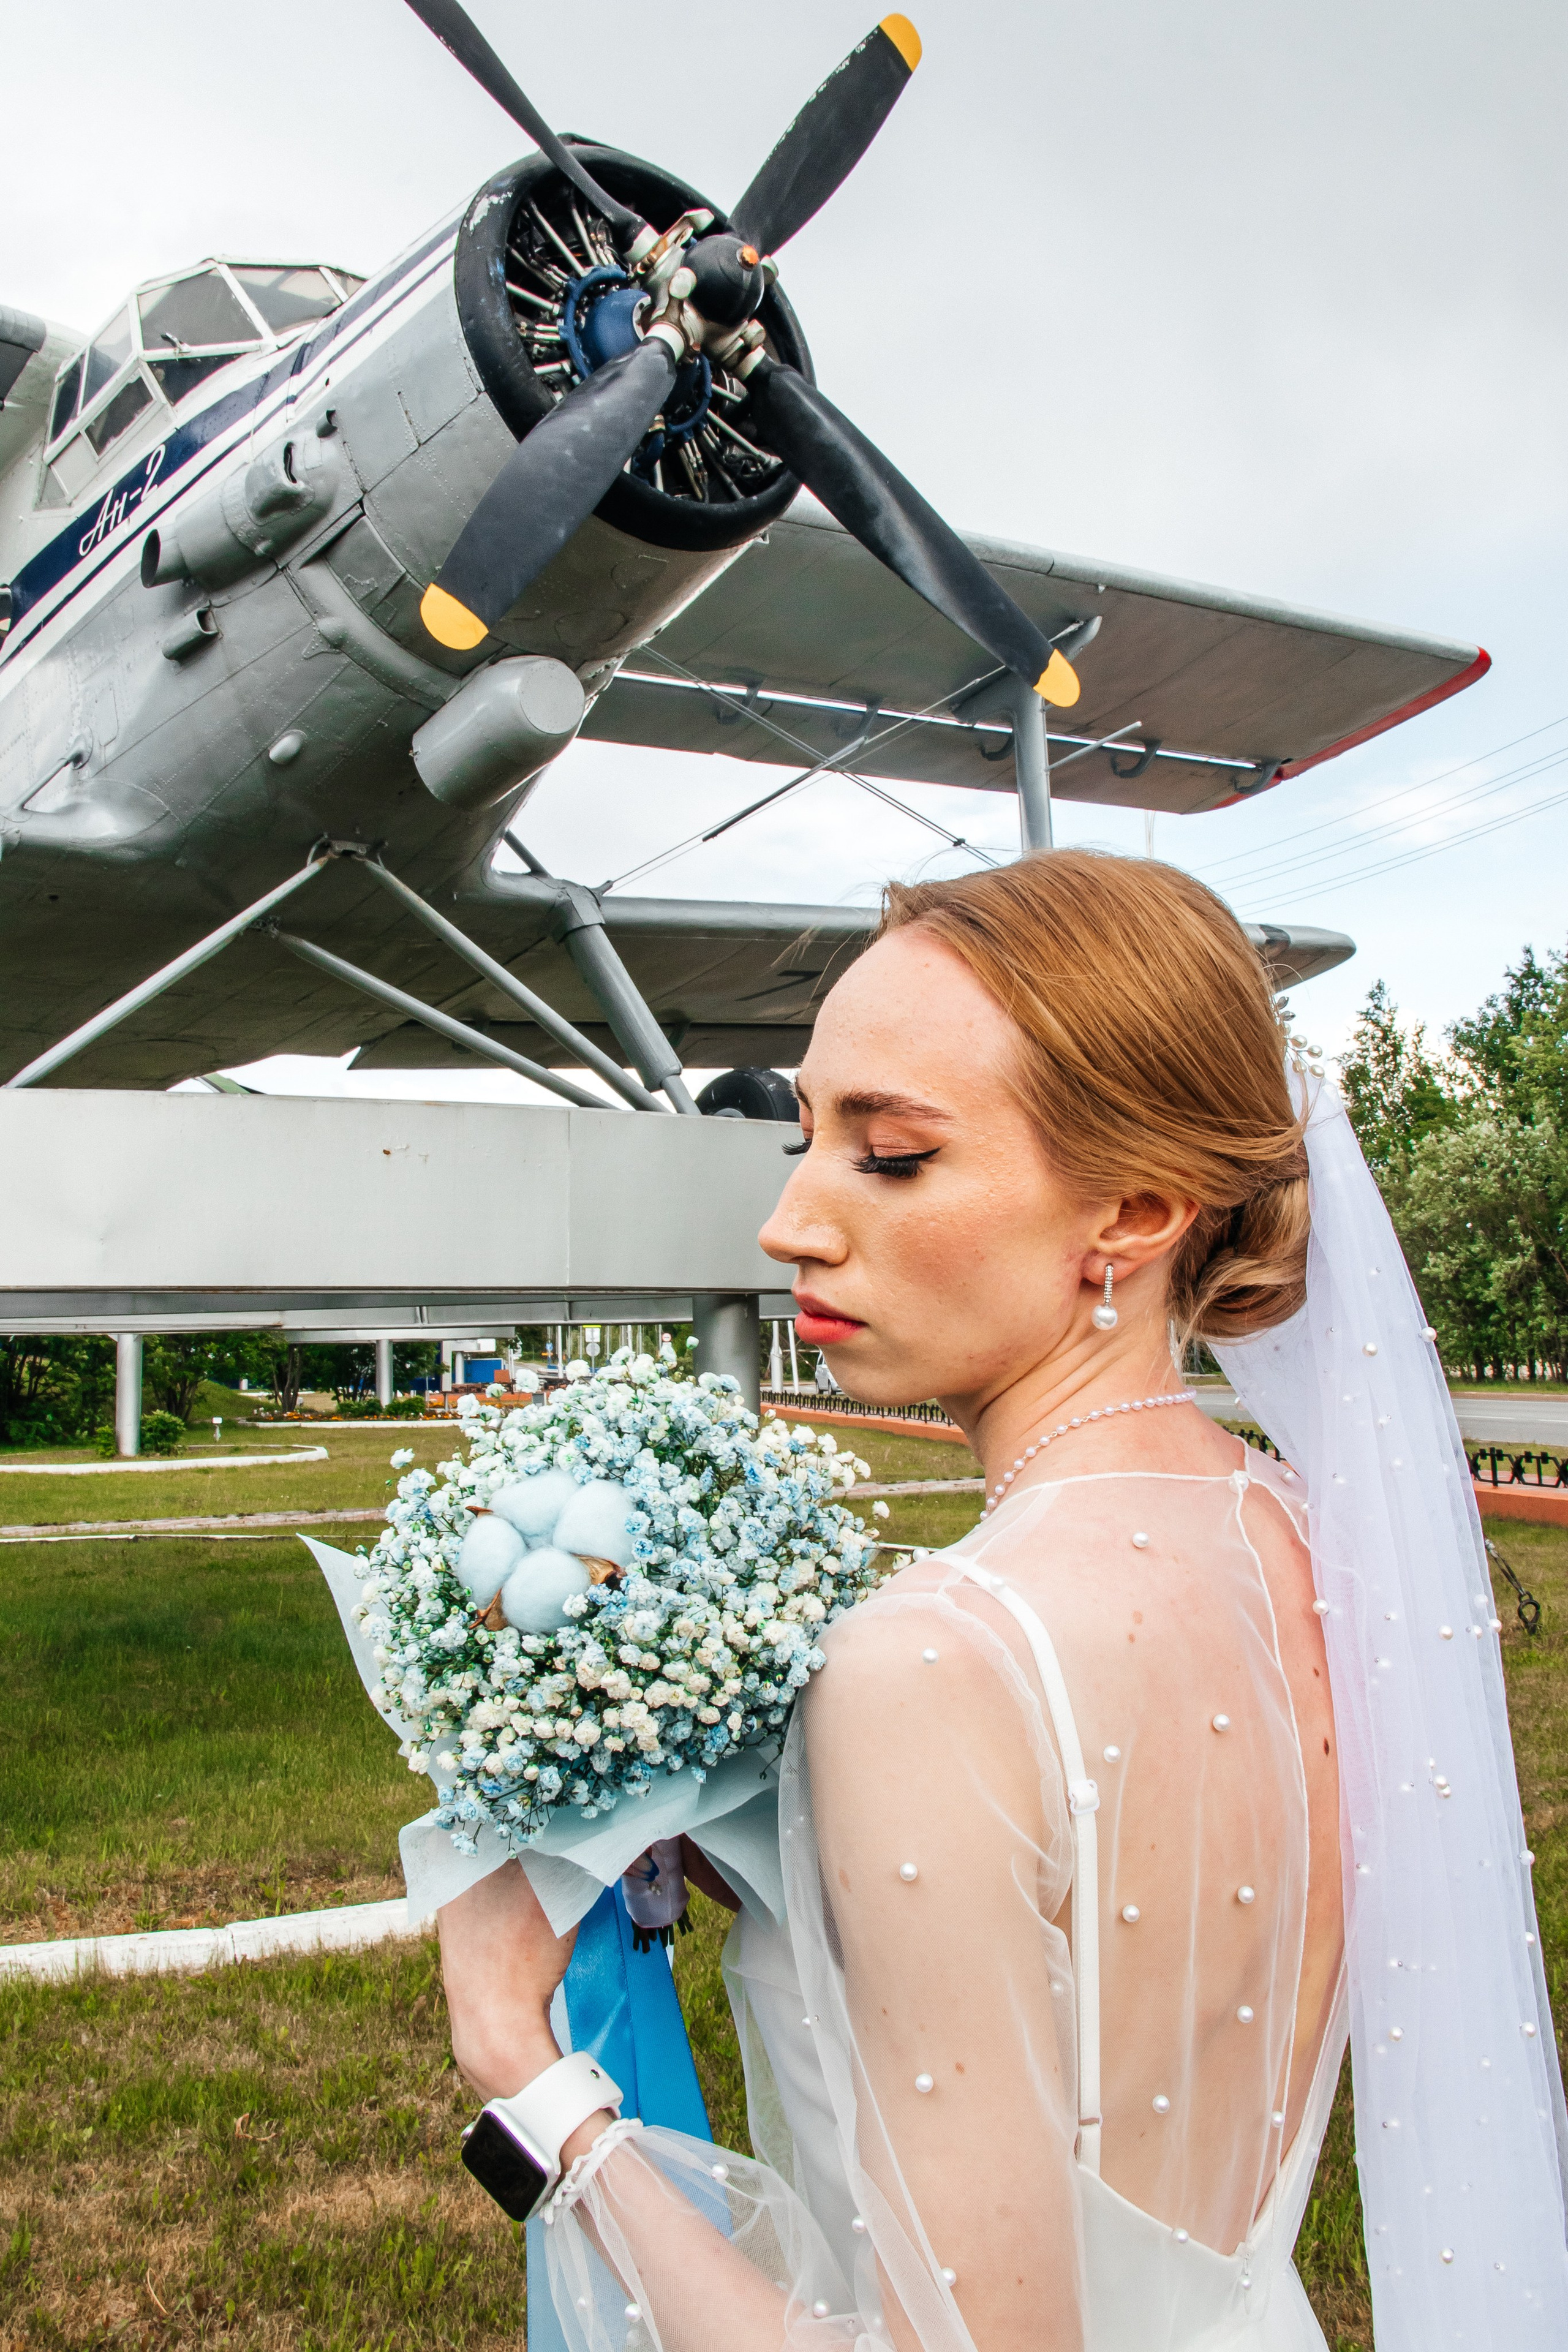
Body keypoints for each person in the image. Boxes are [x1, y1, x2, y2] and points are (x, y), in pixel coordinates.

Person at [438, 851, 1567, 2352]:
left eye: (890, 1156)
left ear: (1137, 1211)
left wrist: (530, 2083)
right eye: (805, 1138)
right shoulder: (1315, 1543)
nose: (790, 1224)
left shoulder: (932, 1663)